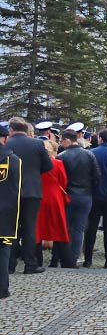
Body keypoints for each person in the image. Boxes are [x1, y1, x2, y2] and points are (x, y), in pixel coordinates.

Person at [6, 116, 53, 274]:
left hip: (11, 191)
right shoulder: (37, 144)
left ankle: (10, 264)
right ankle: (30, 264)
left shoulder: (7, 144)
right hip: (32, 191)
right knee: (29, 228)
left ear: (11, 130)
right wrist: (33, 174)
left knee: (11, 229)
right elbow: (48, 165)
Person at [56, 129, 101, 266]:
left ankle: (64, 258)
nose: (61, 144)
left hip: (67, 195)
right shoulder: (89, 155)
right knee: (79, 229)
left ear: (67, 140)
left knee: (66, 227)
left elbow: (58, 179)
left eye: (62, 141)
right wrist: (90, 191)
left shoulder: (61, 157)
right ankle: (74, 258)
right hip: (85, 196)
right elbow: (97, 176)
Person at [36, 140, 74, 269]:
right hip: (55, 197)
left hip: (40, 196)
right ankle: (65, 260)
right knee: (60, 229)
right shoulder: (58, 163)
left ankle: (37, 260)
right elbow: (63, 181)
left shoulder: (37, 164)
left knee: (38, 229)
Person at [84, 128, 107, 269]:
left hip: (95, 195)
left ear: (100, 139)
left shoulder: (92, 153)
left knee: (91, 228)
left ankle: (88, 259)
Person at [0, 124, 22, 299]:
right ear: (5, 139)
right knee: (3, 251)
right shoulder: (14, 160)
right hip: (6, 211)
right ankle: (2, 288)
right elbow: (17, 189)